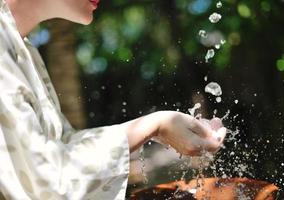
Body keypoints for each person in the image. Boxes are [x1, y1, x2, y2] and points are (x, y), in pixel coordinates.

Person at [0, 0, 226, 199]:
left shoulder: (22, 46)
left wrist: (156, 129)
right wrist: (154, 124)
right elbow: (47, 183)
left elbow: (59, 149)